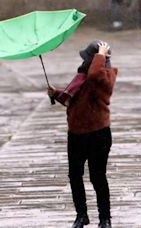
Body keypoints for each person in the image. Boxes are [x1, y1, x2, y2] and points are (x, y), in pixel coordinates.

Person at [48, 41, 118, 228]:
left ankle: (105, 218)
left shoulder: (105, 76)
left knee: (98, 176)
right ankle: (81, 215)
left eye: (89, 58)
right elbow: (73, 100)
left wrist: (100, 54)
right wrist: (56, 94)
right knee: (75, 175)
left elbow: (95, 74)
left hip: (98, 134)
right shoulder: (81, 77)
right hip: (77, 134)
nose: (85, 61)